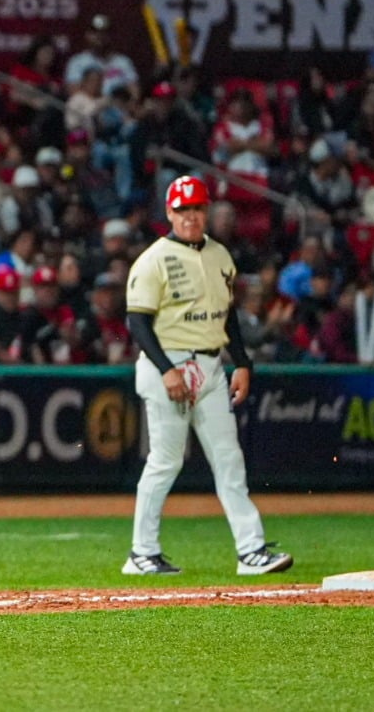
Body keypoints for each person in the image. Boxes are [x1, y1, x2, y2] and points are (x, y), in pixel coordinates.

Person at [122, 175, 292, 577]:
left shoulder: (220, 255)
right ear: (169, 212)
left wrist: (243, 362)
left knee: (229, 459)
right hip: (171, 362)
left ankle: (250, 550)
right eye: (183, 209)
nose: (190, 216)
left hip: (212, 364)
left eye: (197, 208)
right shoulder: (153, 259)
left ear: (207, 211)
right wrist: (167, 370)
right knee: (164, 461)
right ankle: (141, 552)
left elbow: (226, 314)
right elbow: (138, 323)